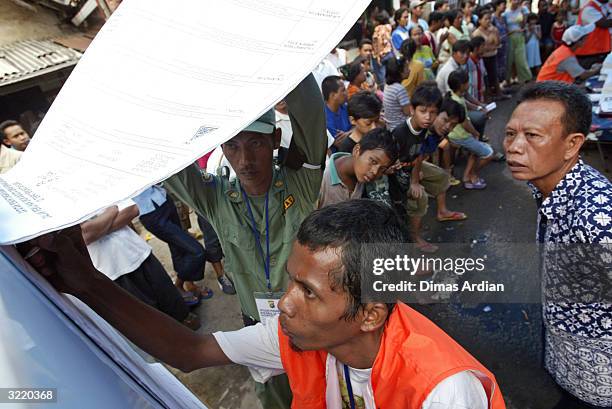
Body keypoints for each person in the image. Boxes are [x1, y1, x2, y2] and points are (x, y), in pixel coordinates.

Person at [21, 200, 507, 409]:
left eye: (309, 292)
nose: (286, 306)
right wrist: (84, 283)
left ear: (369, 314)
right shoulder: (298, 334)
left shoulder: (444, 391)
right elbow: (191, 353)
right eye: (292, 283)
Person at [164, 74, 327, 409]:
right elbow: (167, 158)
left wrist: (281, 61)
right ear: (221, 148)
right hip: (257, 323)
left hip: (307, 318)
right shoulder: (215, 197)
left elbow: (309, 108)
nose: (244, 161)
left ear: (275, 140)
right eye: (233, 146)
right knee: (274, 398)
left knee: (321, 391)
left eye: (256, 143)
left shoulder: (301, 183)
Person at [503, 81, 611, 409]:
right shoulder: (548, 189)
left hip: (599, 381)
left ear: (572, 145)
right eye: (510, 134)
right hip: (567, 363)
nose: (514, 147)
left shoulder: (596, 217)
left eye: (532, 136)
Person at [80, 200, 199, 329]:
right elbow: (85, 234)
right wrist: (112, 211)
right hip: (114, 271)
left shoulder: (99, 189)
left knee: (172, 302)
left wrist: (99, 228)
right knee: (149, 318)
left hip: (139, 252)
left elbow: (133, 209)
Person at [391, 84, 468, 252]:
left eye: (432, 112)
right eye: (423, 111)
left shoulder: (424, 129)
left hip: (411, 167)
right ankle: (415, 238)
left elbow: (418, 155)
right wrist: (412, 183)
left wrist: (416, 178)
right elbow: (390, 164)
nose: (428, 117)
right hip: (395, 173)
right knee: (419, 198)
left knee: (441, 176)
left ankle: (442, 211)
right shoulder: (400, 132)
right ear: (412, 110)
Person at [133, 185, 234, 297]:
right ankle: (178, 285)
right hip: (149, 213)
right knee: (197, 252)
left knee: (177, 248)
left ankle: (189, 285)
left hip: (163, 199)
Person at [318, 128, 398, 207]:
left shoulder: (363, 177)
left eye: (382, 169)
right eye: (373, 161)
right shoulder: (320, 179)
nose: (375, 172)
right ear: (357, 150)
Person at [446, 70, 494, 189]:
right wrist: (475, 132)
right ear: (462, 85)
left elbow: (466, 104)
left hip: (455, 134)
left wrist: (479, 107)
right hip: (461, 136)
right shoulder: (458, 102)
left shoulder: (453, 96)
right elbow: (465, 123)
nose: (469, 84)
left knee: (475, 151)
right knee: (488, 154)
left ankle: (467, 176)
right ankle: (473, 174)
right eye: (467, 82)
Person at [537, 24, 602, 83]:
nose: (587, 38)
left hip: (546, 86)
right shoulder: (567, 57)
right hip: (547, 90)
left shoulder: (563, 50)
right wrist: (596, 69)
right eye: (585, 37)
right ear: (579, 42)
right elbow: (583, 75)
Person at [472, 8, 502, 99]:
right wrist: (490, 47)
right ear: (480, 20)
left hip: (493, 55)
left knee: (494, 75)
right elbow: (479, 48)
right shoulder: (477, 33)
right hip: (483, 58)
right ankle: (487, 96)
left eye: (489, 18)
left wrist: (494, 32)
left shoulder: (493, 29)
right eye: (486, 19)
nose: (488, 21)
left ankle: (498, 93)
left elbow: (497, 43)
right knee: (485, 77)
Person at [575, 0, 612, 68]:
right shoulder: (589, 9)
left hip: (603, 50)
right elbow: (605, 23)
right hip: (589, 53)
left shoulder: (607, 5)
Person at [504, 0, 533, 84]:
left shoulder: (523, 10)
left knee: (521, 58)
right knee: (509, 59)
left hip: (520, 36)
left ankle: (525, 78)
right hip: (509, 37)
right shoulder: (506, 12)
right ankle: (507, 79)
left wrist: (522, 12)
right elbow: (505, 27)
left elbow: (523, 25)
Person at [383, 57, 411, 131]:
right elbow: (407, 112)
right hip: (401, 127)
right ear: (400, 72)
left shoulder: (388, 85)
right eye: (407, 68)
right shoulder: (399, 89)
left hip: (391, 126)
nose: (409, 70)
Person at [322, 75, 351, 141]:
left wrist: (347, 134)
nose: (346, 92)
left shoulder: (344, 106)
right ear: (333, 95)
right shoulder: (324, 118)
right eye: (343, 90)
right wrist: (353, 132)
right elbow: (339, 142)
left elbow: (358, 125)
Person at [372, 10, 394, 88]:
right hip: (389, 53)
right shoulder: (389, 28)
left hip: (381, 55)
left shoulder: (378, 29)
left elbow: (378, 43)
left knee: (382, 78)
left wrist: (377, 56)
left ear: (378, 21)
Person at [492, 0, 510, 87]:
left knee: (503, 63)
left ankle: (502, 83)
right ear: (497, 6)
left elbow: (506, 30)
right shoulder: (492, 18)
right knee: (497, 64)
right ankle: (497, 85)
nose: (505, 6)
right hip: (496, 45)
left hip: (505, 43)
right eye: (503, 5)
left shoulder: (503, 17)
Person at [466, 36, 487, 103]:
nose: (485, 48)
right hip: (471, 96)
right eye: (482, 46)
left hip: (479, 95)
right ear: (476, 49)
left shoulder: (480, 60)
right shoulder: (468, 62)